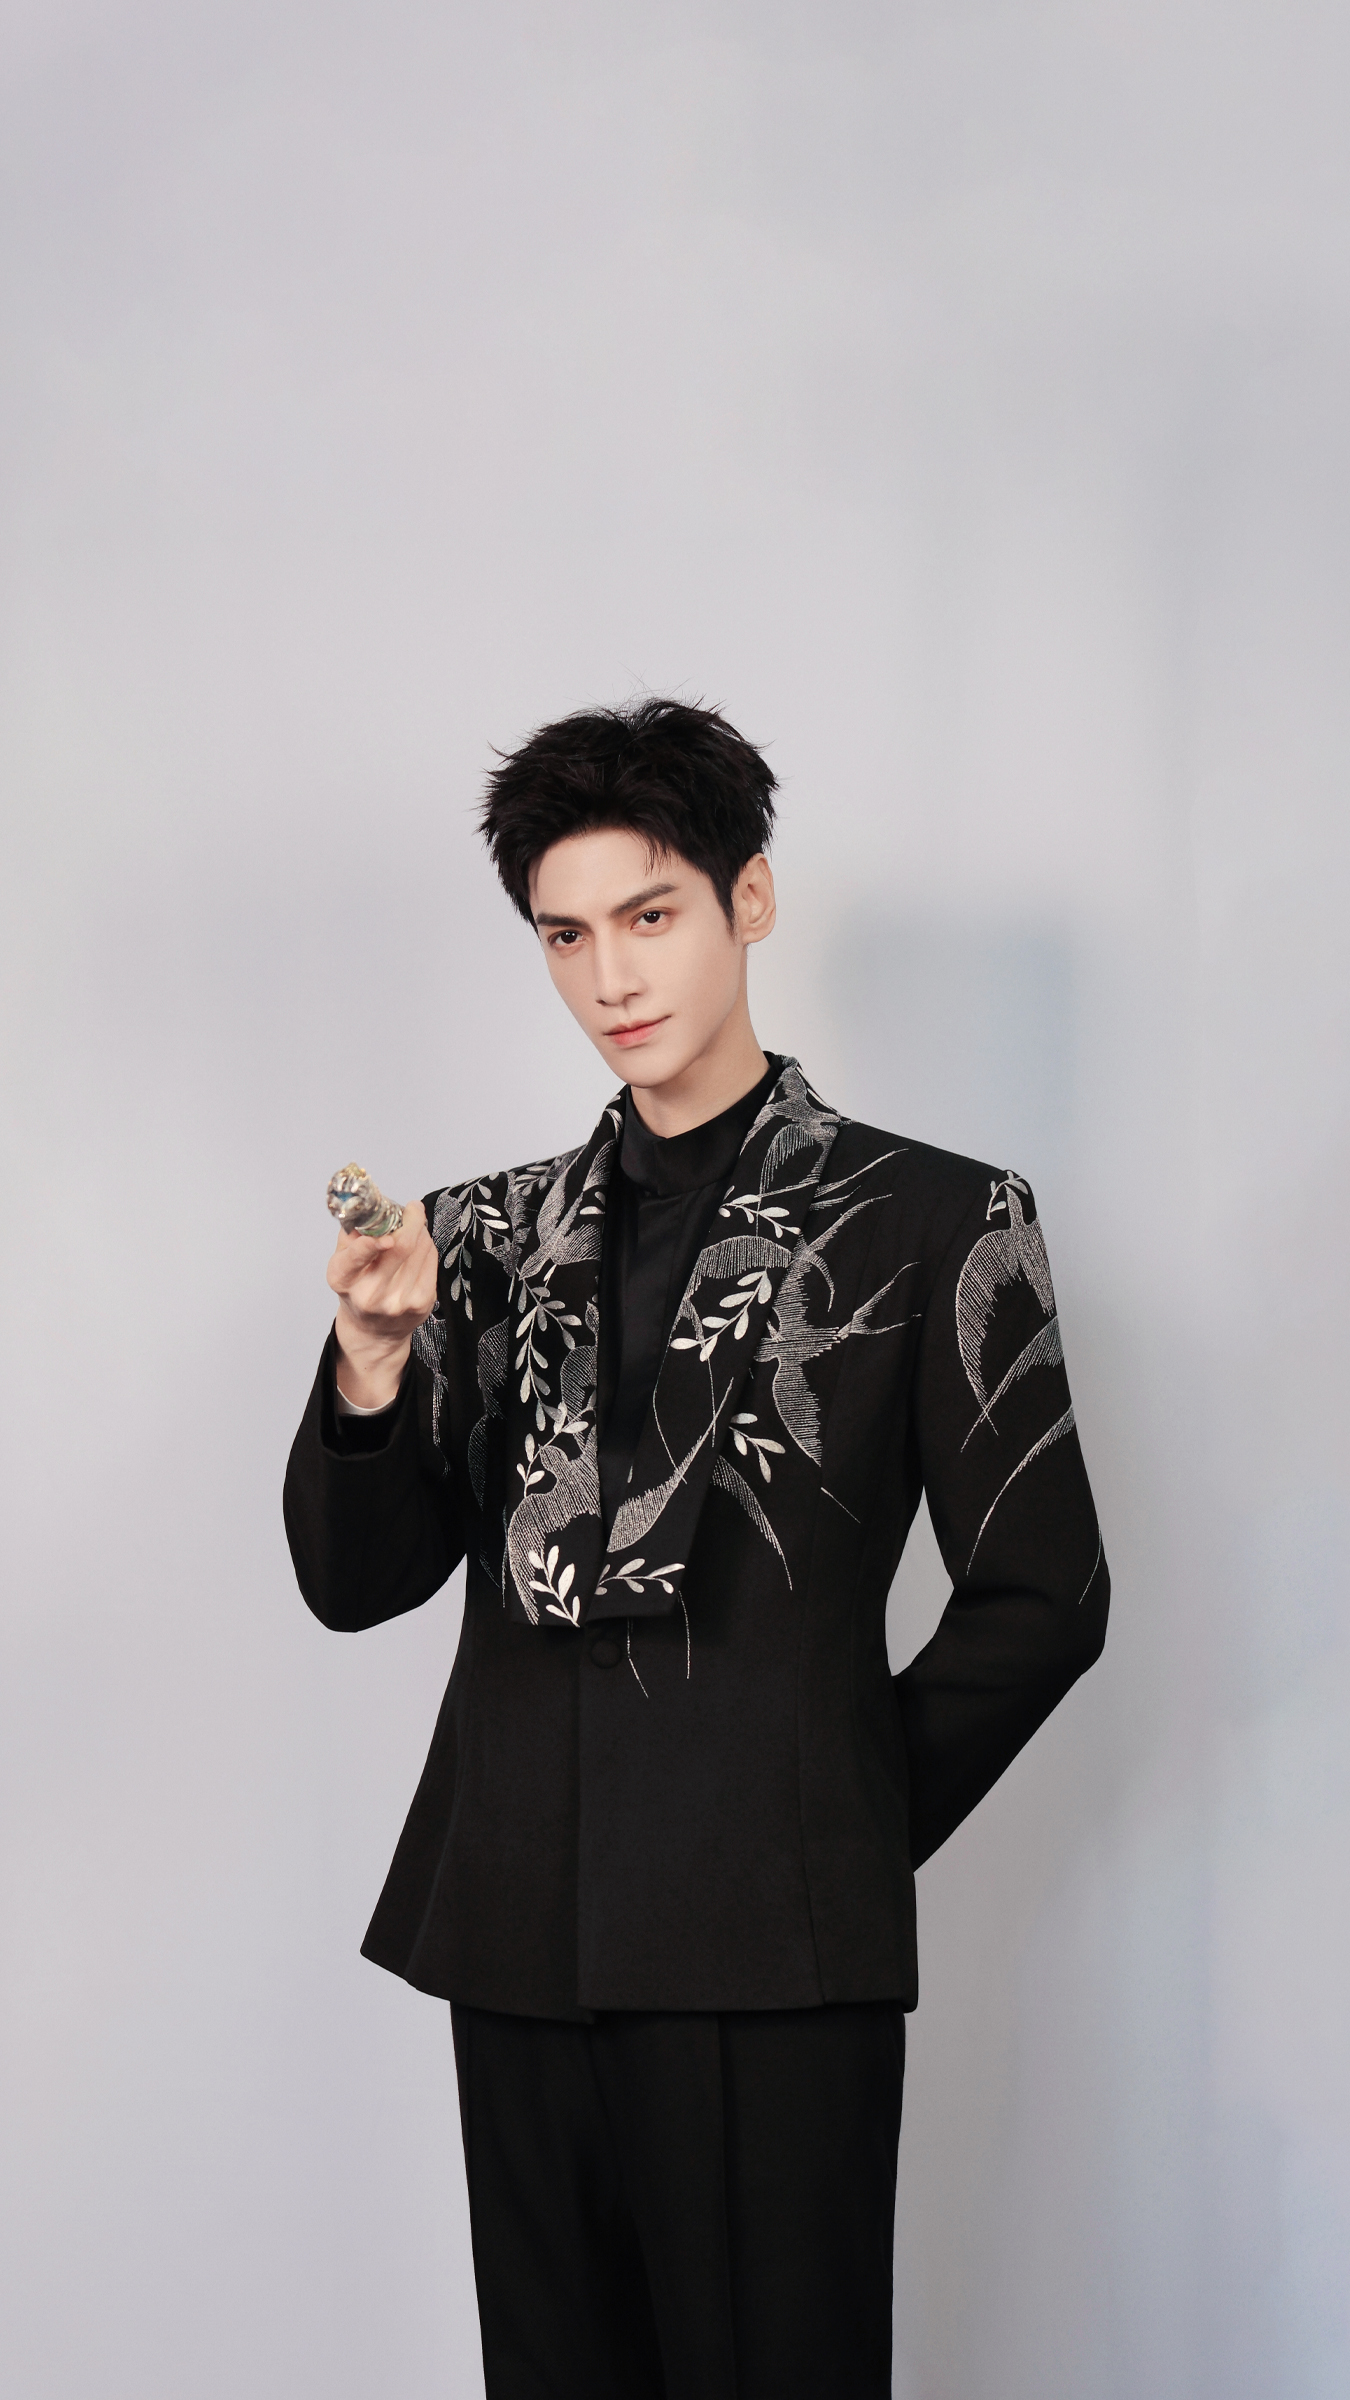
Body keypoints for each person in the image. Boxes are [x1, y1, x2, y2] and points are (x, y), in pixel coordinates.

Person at [283, 696, 1108, 2400]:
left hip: (767, 1944)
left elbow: (1043, 1597)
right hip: (516, 1926)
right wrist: (371, 1363)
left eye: (648, 915)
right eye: (564, 936)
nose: (611, 977)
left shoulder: (936, 1218)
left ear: (749, 900)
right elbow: (357, 1585)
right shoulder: (481, 1236)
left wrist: (828, 1825)